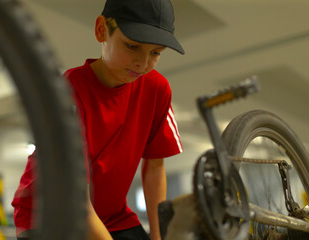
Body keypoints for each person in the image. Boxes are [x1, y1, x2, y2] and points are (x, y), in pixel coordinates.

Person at [12, 0, 185, 239]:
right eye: (132, 46)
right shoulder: (69, 93)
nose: (143, 63)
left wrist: (159, 237)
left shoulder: (157, 89)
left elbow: (155, 167)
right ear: (101, 29)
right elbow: (76, 203)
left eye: (155, 53)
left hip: (112, 216)